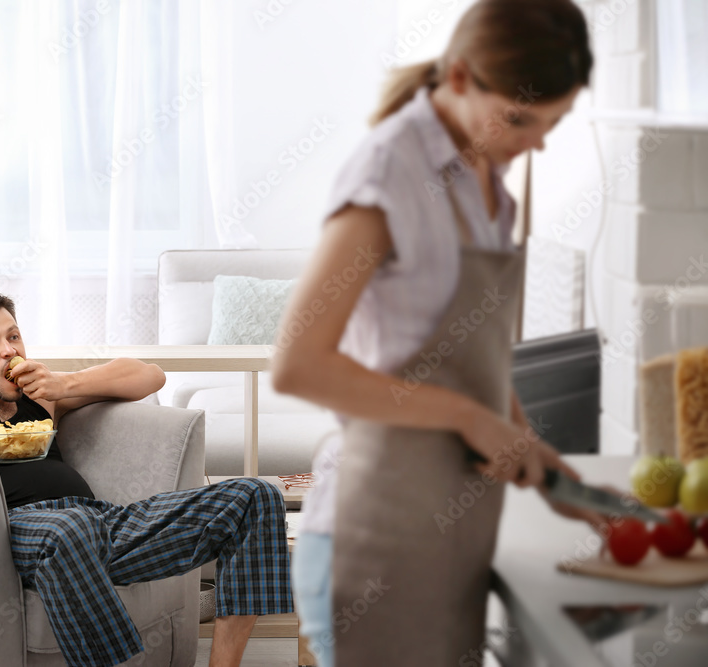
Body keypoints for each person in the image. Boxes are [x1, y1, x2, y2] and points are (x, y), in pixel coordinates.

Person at [270, 2, 605, 665]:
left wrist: (549, 467)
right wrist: (465, 417)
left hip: (452, 540)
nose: (535, 141)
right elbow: (298, 363)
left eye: (553, 124)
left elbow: (470, 359)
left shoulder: (488, 178)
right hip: (377, 538)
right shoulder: (388, 170)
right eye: (520, 118)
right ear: (458, 77)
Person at [0, 289, 293, 667]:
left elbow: (150, 376)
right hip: (20, 532)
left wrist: (64, 384)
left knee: (254, 495)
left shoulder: (42, 395)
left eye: (14, 336)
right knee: (71, 526)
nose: (9, 350)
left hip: (99, 523)